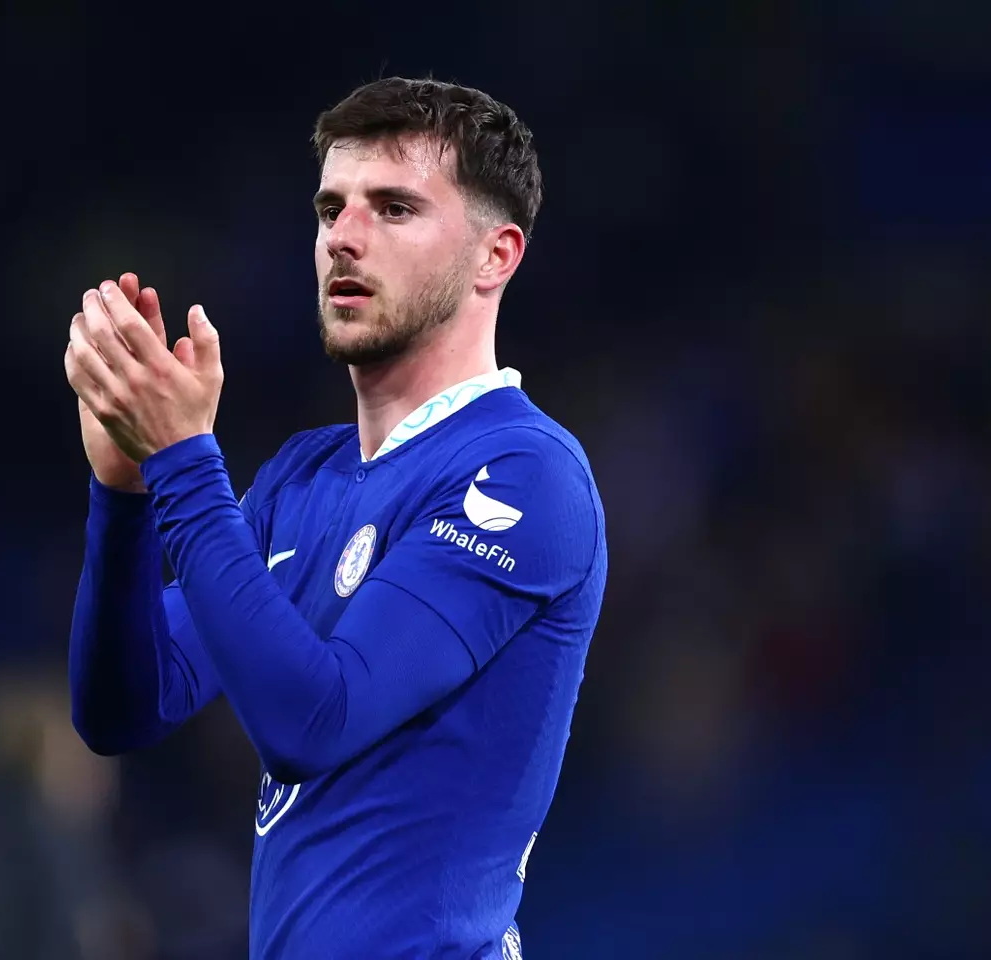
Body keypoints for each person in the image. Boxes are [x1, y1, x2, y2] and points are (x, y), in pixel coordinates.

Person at [65, 76, 607, 960]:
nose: (343, 238)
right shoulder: (301, 479)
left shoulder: (523, 471)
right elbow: (123, 709)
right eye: (330, 209)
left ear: (495, 256)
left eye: (394, 209)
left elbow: (315, 720)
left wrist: (186, 462)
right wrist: (125, 491)